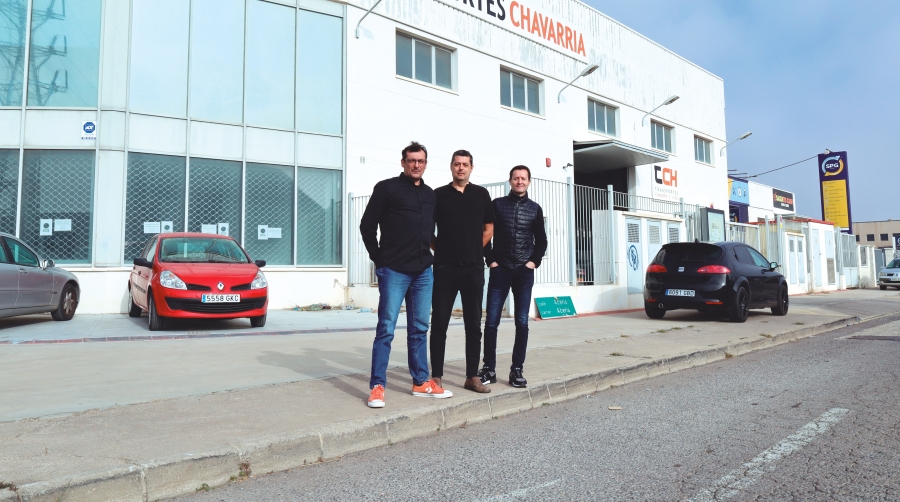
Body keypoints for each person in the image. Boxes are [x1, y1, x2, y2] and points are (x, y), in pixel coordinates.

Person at [359, 141, 452, 408]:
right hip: (394, 269)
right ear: (403, 162)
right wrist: (378, 257)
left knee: (419, 329)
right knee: (386, 329)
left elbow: (429, 232)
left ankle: (421, 381)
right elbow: (367, 225)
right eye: (411, 160)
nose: (416, 165)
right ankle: (377, 386)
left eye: (420, 161)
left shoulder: (430, 194)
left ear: (425, 163)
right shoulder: (386, 188)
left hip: (423, 271)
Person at [430, 150, 495, 394]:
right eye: (457, 164)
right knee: (439, 323)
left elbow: (489, 228)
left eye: (465, 164)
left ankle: (471, 376)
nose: (461, 168)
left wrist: (471, 249)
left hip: (474, 269)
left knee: (473, 325)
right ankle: (436, 377)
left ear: (471, 167)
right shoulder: (438, 195)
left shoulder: (481, 194)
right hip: (445, 268)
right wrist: (443, 249)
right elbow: (428, 231)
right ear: (451, 167)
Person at [480, 166, 547, 388]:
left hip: (523, 272)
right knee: (491, 321)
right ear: (510, 181)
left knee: (522, 322)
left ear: (529, 182)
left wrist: (532, 263)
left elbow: (541, 241)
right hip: (500, 269)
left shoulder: (535, 209)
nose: (519, 182)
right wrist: (491, 260)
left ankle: (516, 369)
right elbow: (485, 234)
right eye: (516, 178)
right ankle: (489, 369)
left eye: (523, 178)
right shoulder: (497, 205)